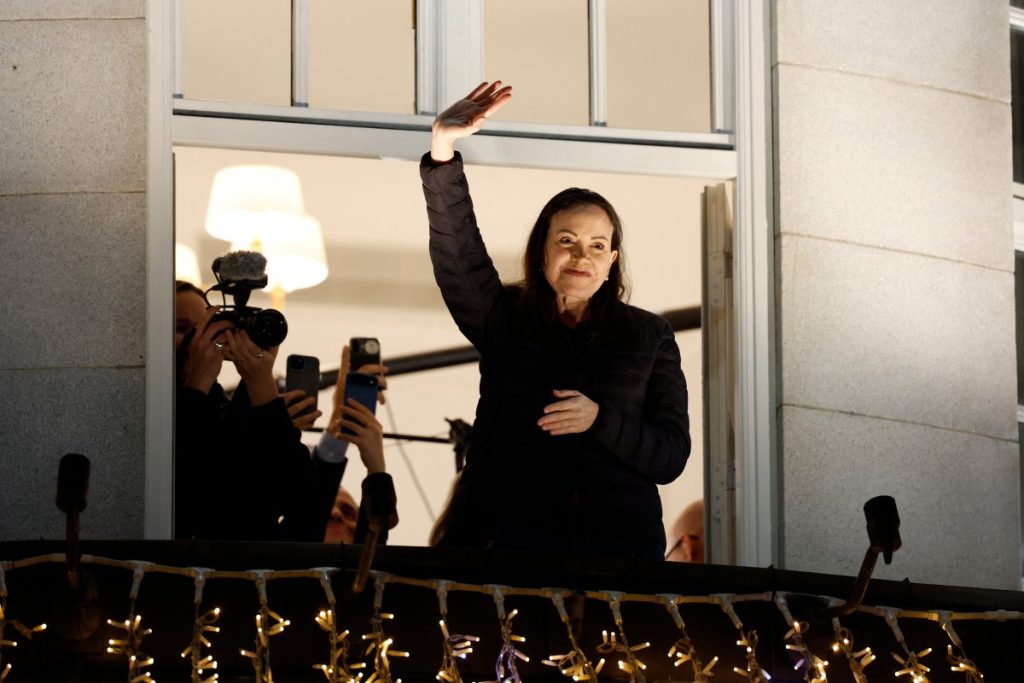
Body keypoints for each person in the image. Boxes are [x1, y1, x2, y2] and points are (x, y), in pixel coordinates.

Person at [420, 82, 692, 560]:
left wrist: (600, 419)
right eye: (567, 240)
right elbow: (458, 256)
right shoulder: (503, 317)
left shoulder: (650, 335)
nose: (581, 256)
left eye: (597, 245)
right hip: (508, 551)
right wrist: (442, 150)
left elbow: (669, 455)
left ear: (611, 261)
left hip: (617, 560)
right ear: (542, 250)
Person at [174, 281, 394, 542]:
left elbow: (301, 504)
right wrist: (197, 384)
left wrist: (260, 379)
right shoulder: (149, 408)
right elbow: (185, 493)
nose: (198, 342)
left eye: (205, 329)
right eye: (182, 329)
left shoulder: (225, 407)